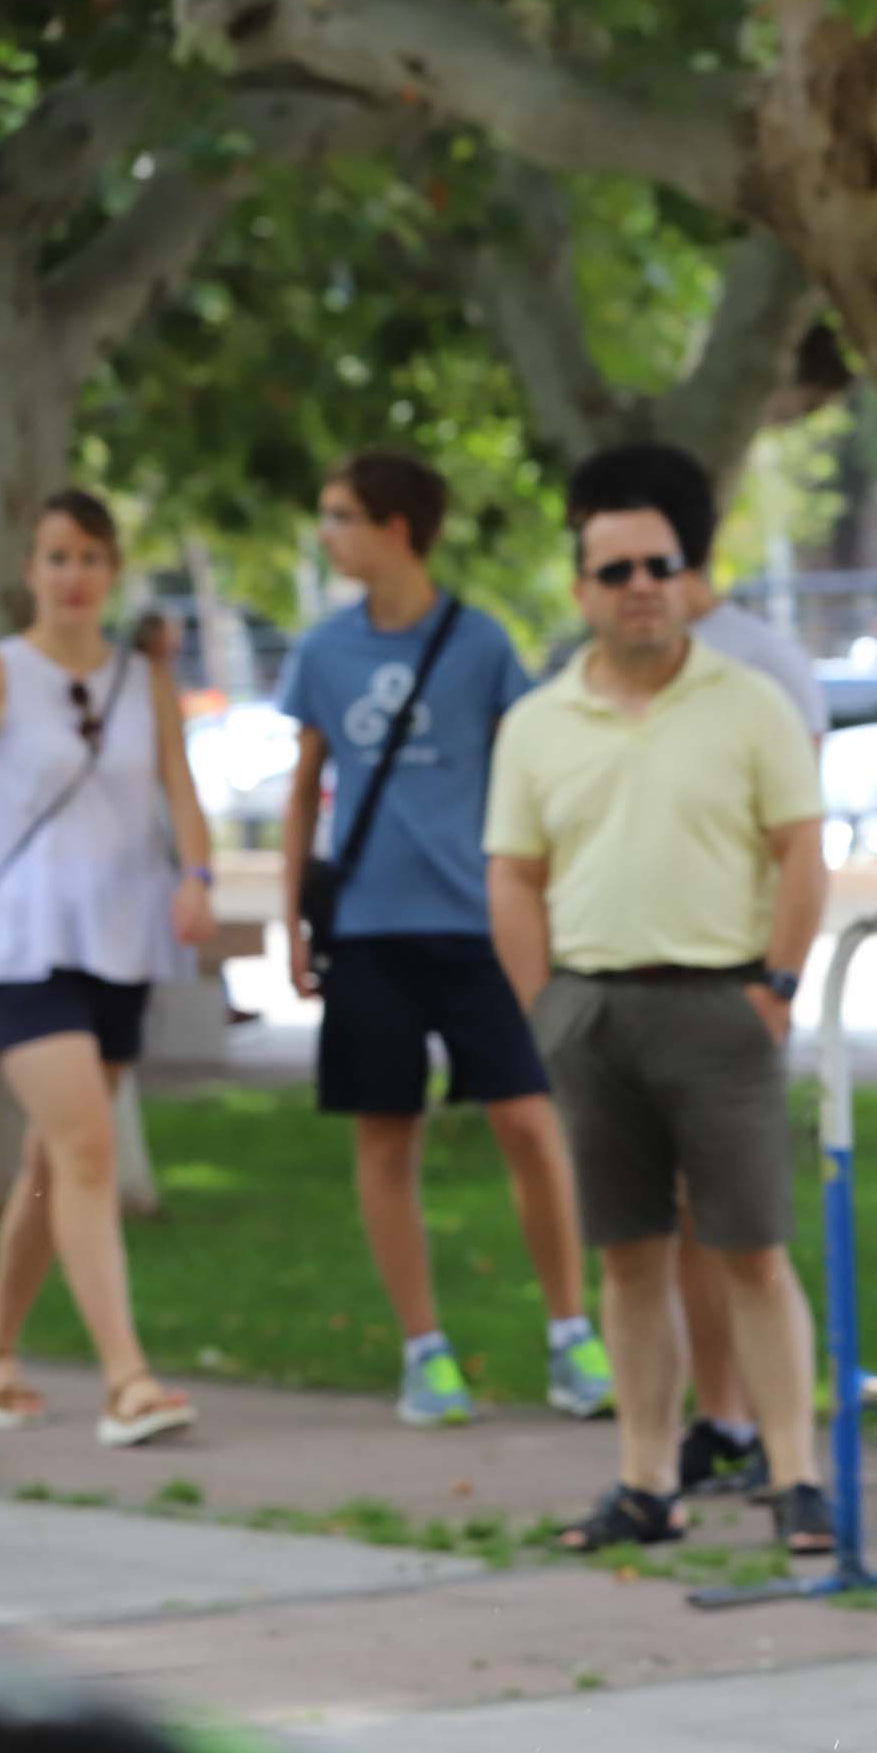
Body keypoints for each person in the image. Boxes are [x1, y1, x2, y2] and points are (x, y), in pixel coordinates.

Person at [484, 481, 834, 1556]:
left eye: (659, 566)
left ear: (687, 579)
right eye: (617, 571)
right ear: (583, 588)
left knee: (752, 1249)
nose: (642, 588)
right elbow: (514, 874)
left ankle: (795, 1478)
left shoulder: (749, 703)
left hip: (721, 1005)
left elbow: (801, 855)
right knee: (627, 1256)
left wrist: (775, 986)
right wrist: (546, 1006)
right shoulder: (538, 721)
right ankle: (644, 1483)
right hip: (591, 1010)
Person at [271, 452, 605, 1427]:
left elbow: (532, 782)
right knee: (386, 1133)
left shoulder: (481, 643)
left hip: (479, 928)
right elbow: (303, 795)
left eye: (340, 517)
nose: (327, 533)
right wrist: (294, 917)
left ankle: (570, 1337)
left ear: (397, 529)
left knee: (529, 1124)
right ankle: (425, 1352)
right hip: (368, 932)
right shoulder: (321, 651)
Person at [0, 492, 206, 1446]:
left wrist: (198, 876)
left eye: (88, 557)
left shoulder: (140, 679)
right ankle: (127, 1381)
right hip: (20, 946)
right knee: (86, 1149)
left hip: (122, 941)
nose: (72, 575)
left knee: (50, 1159)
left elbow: (181, 791)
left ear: (112, 569)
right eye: (55, 557)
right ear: (29, 571)